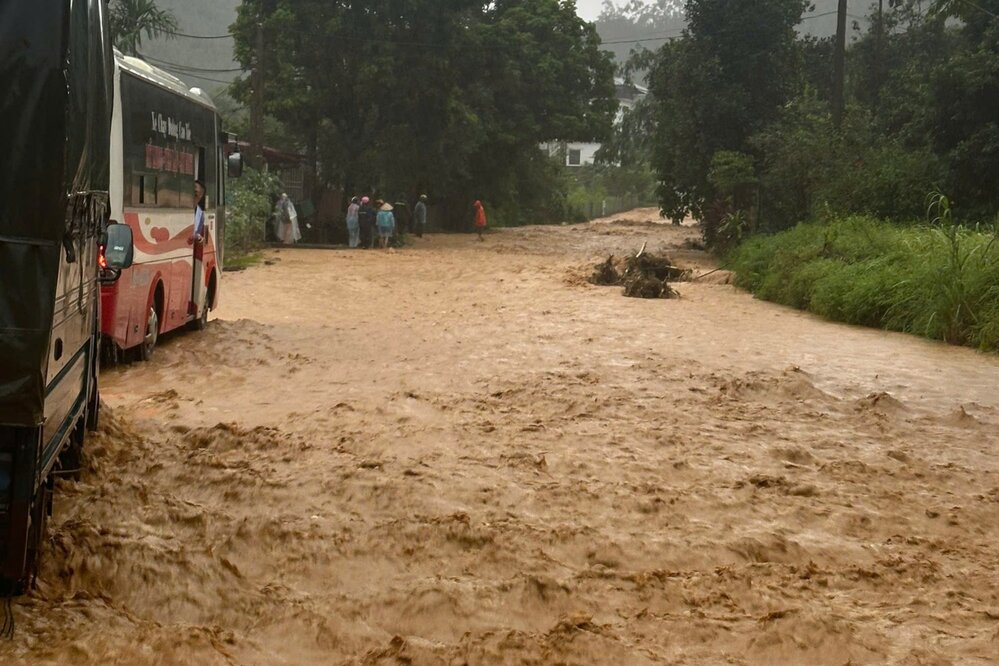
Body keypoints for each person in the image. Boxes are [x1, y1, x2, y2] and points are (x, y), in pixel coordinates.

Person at [191, 179, 206, 245]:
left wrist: (199, 238)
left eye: (195, 191)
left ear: (201, 194)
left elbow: (197, 234)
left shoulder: (201, 215)